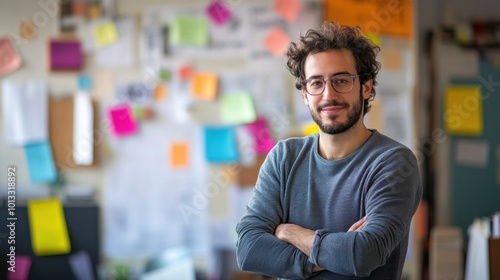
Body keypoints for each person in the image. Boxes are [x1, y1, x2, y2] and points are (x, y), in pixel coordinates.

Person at [235, 21, 422, 279]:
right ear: (304, 94)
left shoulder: (394, 162)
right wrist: (336, 253)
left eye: (341, 80)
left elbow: (362, 255)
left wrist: (291, 233)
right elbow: (248, 249)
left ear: (366, 88)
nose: (328, 95)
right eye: (316, 83)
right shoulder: (283, 158)